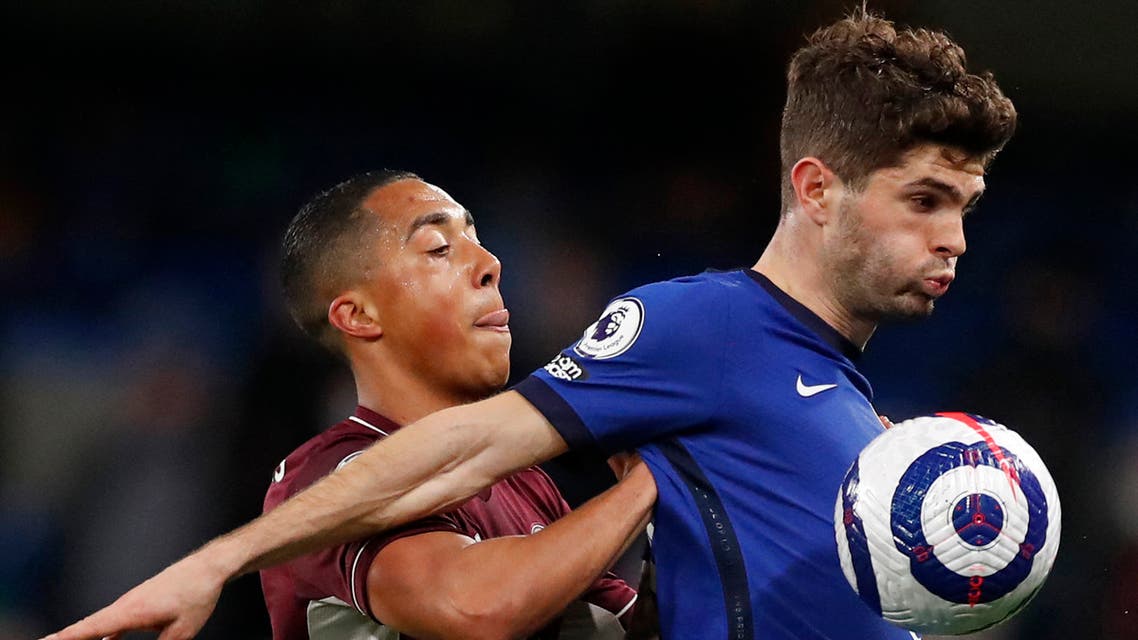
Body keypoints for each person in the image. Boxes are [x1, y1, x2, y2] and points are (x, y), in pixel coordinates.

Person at [46, 10, 1016, 640]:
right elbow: (477, 590)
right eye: (925, 200)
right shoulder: (714, 330)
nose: (955, 239)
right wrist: (216, 560)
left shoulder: (556, 495)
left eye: (966, 208)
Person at [206, 169, 658, 638]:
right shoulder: (325, 483)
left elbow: (631, 629)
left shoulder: (525, 482)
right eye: (440, 249)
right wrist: (648, 484)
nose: (491, 263)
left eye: (477, 240)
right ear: (359, 315)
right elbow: (476, 609)